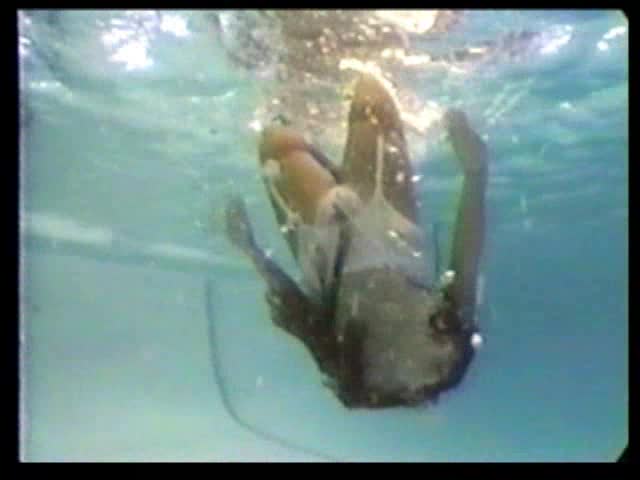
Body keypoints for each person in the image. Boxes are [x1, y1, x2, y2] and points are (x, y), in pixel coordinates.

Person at [225, 72, 488, 408]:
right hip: (390, 237)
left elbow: (300, 311)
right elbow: (466, 262)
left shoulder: (357, 381)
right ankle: (331, 158)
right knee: (371, 93)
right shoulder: (447, 362)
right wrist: (475, 173)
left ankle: (322, 146)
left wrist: (252, 251)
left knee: (276, 136)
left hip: (329, 257)